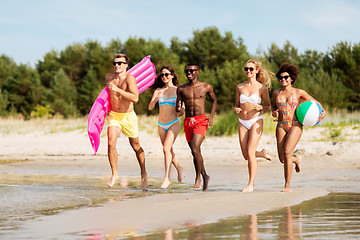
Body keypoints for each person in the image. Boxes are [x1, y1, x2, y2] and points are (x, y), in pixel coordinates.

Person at [272, 62, 325, 192]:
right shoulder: (276, 93)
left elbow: (315, 102)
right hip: (281, 125)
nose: (283, 79)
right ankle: (296, 160)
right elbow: (274, 107)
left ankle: (287, 186)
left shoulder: (299, 92)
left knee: (287, 152)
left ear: (291, 79)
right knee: (282, 159)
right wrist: (274, 112)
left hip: (295, 125)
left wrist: (322, 112)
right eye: (280, 77)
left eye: (286, 77)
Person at [105, 53, 148, 190]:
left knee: (136, 146)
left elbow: (135, 98)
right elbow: (106, 96)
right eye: (115, 63)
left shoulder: (130, 79)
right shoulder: (109, 78)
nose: (116, 65)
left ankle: (143, 172)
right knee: (111, 142)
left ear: (126, 65)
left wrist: (118, 90)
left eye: (120, 63)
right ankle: (114, 174)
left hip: (128, 116)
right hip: (114, 116)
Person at [176, 63, 217, 191]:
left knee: (194, 148)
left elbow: (214, 100)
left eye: (192, 71)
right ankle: (205, 176)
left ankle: (197, 179)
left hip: (201, 120)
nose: (189, 73)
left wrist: (211, 115)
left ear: (197, 72)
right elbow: (178, 106)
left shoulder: (206, 87)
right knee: (196, 152)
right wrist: (178, 108)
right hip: (188, 121)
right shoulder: (181, 89)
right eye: (187, 71)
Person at [234, 59, 273, 192]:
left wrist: (261, 106)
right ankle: (261, 154)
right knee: (246, 155)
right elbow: (237, 105)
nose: (248, 71)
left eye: (251, 69)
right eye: (246, 69)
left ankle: (250, 184)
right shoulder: (240, 87)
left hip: (256, 120)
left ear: (257, 70)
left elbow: (268, 106)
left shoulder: (262, 88)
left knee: (250, 153)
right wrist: (236, 109)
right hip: (242, 122)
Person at [148, 66, 183, 189]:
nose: (164, 77)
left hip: (173, 122)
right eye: (162, 75)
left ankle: (167, 178)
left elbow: (182, 112)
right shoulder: (158, 90)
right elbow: (150, 107)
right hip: (161, 124)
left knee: (165, 149)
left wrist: (180, 109)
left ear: (172, 76)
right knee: (168, 150)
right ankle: (179, 168)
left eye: (167, 74)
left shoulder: (178, 90)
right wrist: (155, 99)